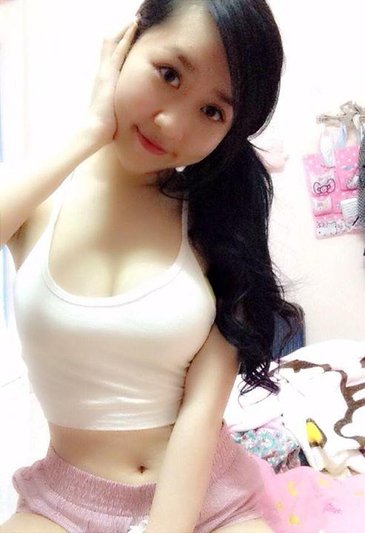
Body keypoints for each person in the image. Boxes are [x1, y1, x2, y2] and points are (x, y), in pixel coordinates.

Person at [0, 0, 300, 531]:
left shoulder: (218, 226)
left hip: (207, 496)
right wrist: (90, 129)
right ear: (126, 44)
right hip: (64, 503)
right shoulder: (39, 197)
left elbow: (200, 416)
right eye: (169, 74)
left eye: (213, 111)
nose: (171, 124)